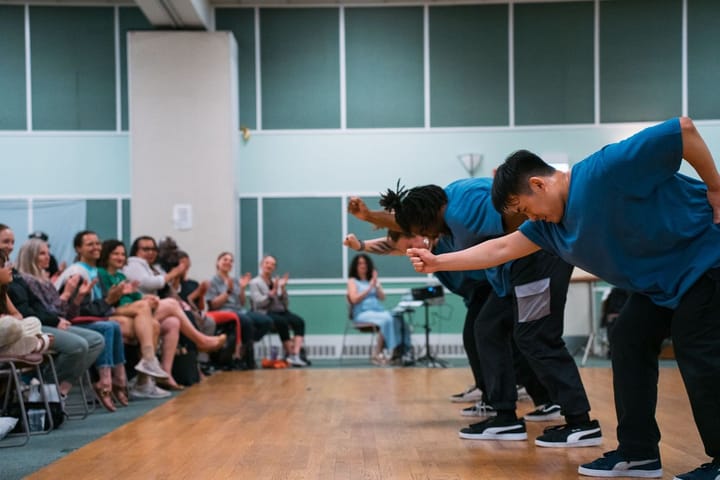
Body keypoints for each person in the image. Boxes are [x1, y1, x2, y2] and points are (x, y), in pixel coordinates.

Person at [407, 117, 720, 480]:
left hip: (707, 260)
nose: (529, 218)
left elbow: (682, 130)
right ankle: (638, 453)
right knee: (628, 340)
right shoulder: (549, 228)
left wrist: (715, 187)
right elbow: (502, 248)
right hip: (661, 286)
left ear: (538, 184)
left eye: (525, 209)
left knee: (697, 350)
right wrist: (437, 261)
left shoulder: (603, 171)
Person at [354, 178, 599, 447]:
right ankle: (505, 416)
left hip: (540, 261)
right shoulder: (451, 198)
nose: (427, 237)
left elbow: (514, 233)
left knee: (535, 337)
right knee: (488, 329)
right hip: (519, 269)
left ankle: (580, 421)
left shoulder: (464, 212)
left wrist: (438, 262)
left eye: (423, 231)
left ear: (426, 221)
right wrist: (368, 218)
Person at [345, 230, 558, 419]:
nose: (409, 252)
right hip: (480, 293)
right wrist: (361, 245)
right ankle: (506, 398)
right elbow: (392, 245)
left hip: (494, 288)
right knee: (487, 339)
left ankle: (532, 401)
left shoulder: (448, 239)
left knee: (496, 339)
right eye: (406, 250)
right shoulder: (424, 246)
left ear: (419, 234)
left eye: (411, 246)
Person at [1, 224, 105, 401]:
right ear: (30, 256)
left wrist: (75, 298)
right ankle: (45, 387)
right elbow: (34, 311)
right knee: (83, 342)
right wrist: (63, 304)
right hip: (39, 324)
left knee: (98, 338)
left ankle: (54, 388)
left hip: (40, 322)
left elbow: (38, 311)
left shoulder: (21, 276)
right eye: (6, 241)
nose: (10, 246)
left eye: (12, 242)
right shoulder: (24, 278)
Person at [32, 232, 129, 412]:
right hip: (67, 322)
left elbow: (78, 307)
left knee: (115, 325)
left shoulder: (95, 271)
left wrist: (111, 300)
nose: (96, 247)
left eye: (97, 243)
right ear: (78, 248)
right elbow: (79, 311)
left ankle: (119, 380)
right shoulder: (77, 272)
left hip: (68, 319)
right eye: (90, 244)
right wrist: (107, 300)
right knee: (107, 328)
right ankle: (105, 382)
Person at [206, 252, 274, 370]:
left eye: (231, 260)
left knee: (266, 321)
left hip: (239, 310)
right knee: (246, 321)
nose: (228, 262)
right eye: (225, 259)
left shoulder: (235, 280)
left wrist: (242, 288)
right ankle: (246, 359)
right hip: (224, 311)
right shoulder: (213, 281)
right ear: (218, 262)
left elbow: (242, 302)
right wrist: (228, 292)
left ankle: (244, 346)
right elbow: (213, 305)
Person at [347, 253, 412, 366]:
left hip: (378, 312)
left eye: (365, 263)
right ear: (355, 266)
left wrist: (376, 284)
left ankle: (400, 351)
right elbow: (354, 299)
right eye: (360, 263)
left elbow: (382, 297)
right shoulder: (352, 281)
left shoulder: (373, 281)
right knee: (386, 319)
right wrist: (369, 288)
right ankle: (378, 353)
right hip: (362, 314)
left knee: (397, 317)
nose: (363, 266)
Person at [249, 255, 307, 367]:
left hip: (280, 311)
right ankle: (290, 354)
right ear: (261, 265)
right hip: (265, 312)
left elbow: (285, 304)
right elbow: (258, 303)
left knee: (299, 321)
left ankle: (296, 354)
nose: (269, 265)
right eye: (267, 263)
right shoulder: (255, 282)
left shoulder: (276, 281)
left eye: (272, 264)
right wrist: (272, 293)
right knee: (281, 322)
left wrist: (283, 289)